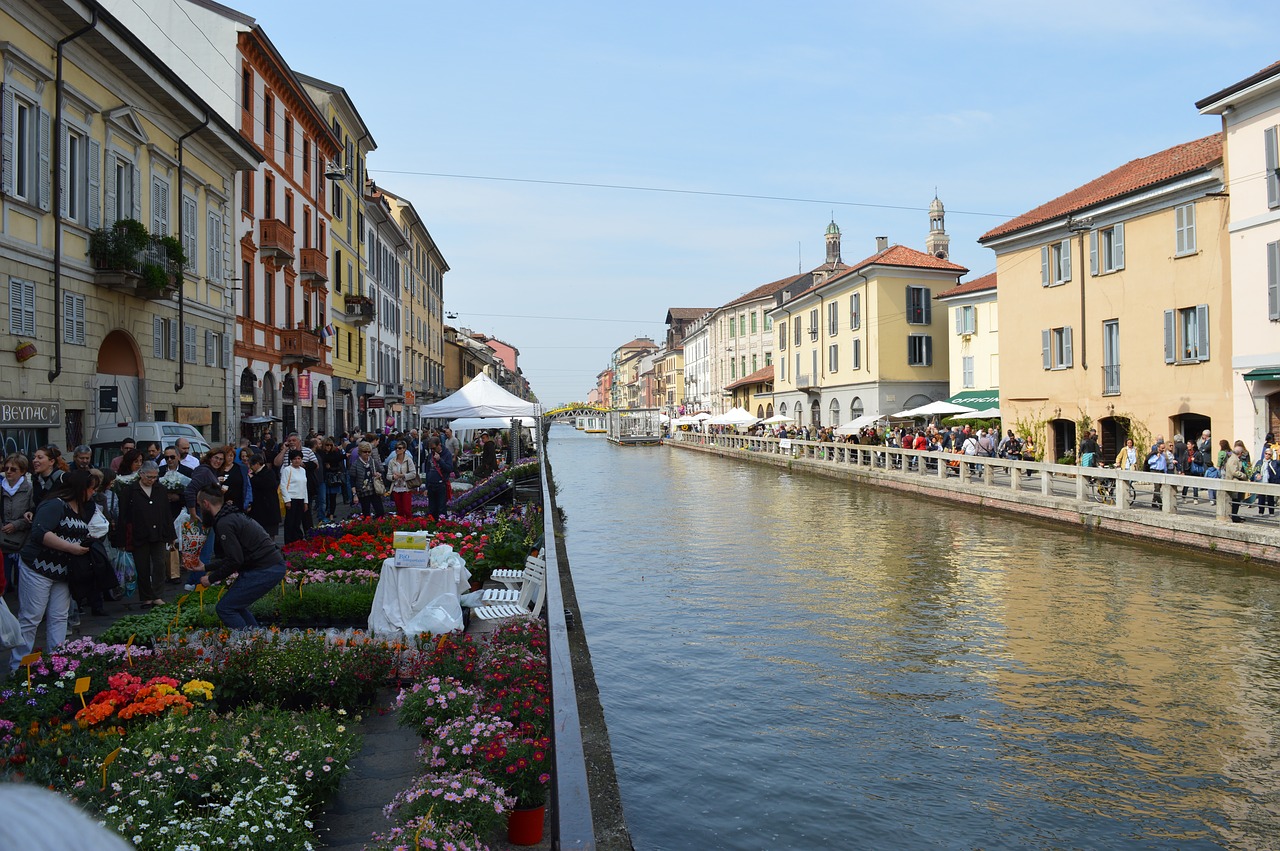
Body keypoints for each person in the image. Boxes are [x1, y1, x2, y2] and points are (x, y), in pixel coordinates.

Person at [9, 468, 95, 673]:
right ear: (80, 489)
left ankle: (58, 662)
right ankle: (19, 667)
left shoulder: (82, 508)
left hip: (63, 572)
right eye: (91, 489)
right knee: (31, 618)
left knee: (59, 617)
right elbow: (40, 532)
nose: (93, 493)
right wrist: (71, 547)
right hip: (38, 568)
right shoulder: (54, 505)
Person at [195, 485, 286, 629]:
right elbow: (235, 556)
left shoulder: (224, 523)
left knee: (225, 608)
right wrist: (205, 567)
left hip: (265, 568)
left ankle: (247, 645)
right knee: (235, 605)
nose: (199, 508)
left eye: (199, 504)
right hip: (268, 565)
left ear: (206, 504)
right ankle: (257, 640)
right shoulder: (230, 515)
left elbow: (235, 561)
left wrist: (210, 578)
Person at [115, 461, 177, 606]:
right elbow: (123, 516)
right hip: (139, 533)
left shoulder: (160, 489)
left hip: (158, 533)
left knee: (160, 565)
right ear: (141, 474)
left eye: (155, 477)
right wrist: (121, 540)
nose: (152, 480)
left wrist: (171, 535)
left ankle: (158, 594)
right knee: (142, 567)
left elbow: (167, 513)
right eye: (149, 477)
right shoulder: (130, 490)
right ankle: (146, 596)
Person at [1, 453, 35, 596]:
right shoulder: (1, 487)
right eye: (6, 468)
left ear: (23, 471)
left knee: (24, 584)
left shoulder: (29, 489)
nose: (8, 471)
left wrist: (17, 524)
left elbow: (33, 513)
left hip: (22, 542)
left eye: (13, 469)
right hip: (2, 541)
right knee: (4, 581)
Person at [246, 453, 281, 539]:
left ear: (257, 464)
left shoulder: (268, 472)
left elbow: (266, 485)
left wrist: (252, 478)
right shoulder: (256, 474)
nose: (250, 467)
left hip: (268, 509)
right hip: (258, 510)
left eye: (251, 465)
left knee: (269, 535)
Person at [280, 449, 310, 544]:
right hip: (291, 498)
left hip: (300, 498)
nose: (297, 460)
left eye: (299, 458)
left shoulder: (303, 470)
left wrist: (306, 502)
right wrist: (287, 500)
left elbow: (304, 487)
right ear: (291, 460)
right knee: (290, 522)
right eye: (295, 459)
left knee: (297, 521)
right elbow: (283, 485)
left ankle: (297, 540)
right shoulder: (287, 470)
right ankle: (288, 542)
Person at [350, 441, 385, 518]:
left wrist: (378, 474)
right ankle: (368, 527)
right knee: (366, 514)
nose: (367, 454)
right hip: (363, 492)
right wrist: (354, 495)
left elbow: (381, 471)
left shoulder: (372, 461)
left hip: (374, 490)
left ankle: (379, 526)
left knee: (380, 511)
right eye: (365, 452)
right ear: (360, 452)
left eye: (369, 452)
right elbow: (352, 481)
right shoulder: (355, 464)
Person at [386, 440, 419, 518]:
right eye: (396, 448)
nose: (397, 450)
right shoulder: (392, 461)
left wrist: (402, 475)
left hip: (406, 487)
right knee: (399, 510)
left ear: (404, 449)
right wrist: (393, 477)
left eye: (400, 448)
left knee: (407, 510)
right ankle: (401, 525)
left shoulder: (408, 460)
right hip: (395, 488)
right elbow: (388, 475)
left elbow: (413, 474)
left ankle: (409, 525)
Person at [423, 437, 453, 519]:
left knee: (441, 508)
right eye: (431, 449)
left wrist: (440, 460)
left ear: (439, 445)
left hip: (441, 485)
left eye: (434, 448)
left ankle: (442, 525)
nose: (432, 450)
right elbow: (427, 471)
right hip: (431, 485)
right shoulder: (430, 455)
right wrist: (426, 486)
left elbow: (449, 469)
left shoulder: (447, 454)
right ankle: (432, 525)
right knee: (432, 509)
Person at [320, 437, 347, 520]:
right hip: (324, 477)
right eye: (327, 445)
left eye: (330, 445)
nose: (328, 447)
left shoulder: (335, 453)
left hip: (333, 477)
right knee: (324, 498)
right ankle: (325, 514)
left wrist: (330, 467)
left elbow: (337, 462)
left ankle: (331, 514)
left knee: (332, 497)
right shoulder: (321, 453)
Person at [1222, 443, 1249, 523]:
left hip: (1235, 483)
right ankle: (1234, 516)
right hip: (1234, 482)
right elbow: (1234, 472)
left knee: (1236, 501)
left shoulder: (1233, 458)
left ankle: (1234, 515)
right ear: (1240, 453)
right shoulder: (1234, 459)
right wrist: (1244, 476)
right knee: (1235, 501)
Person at [1259, 447, 1280, 516]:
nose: (1267, 455)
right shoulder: (1260, 462)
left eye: (1269, 454)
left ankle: (1271, 512)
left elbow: (1278, 464)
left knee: (1270, 497)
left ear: (1271, 456)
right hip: (1261, 482)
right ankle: (1261, 512)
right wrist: (1256, 475)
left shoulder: (1273, 462)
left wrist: (1277, 455)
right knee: (1261, 497)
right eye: (1266, 453)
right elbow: (1255, 471)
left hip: (1270, 481)